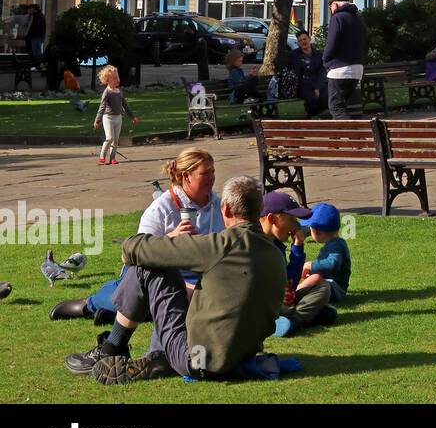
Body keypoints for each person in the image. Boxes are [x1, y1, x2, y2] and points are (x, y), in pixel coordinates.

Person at [64, 176, 285, 385]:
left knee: (148, 268)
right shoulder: (275, 254)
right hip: (242, 356)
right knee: (182, 284)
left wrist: (161, 241)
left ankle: (112, 348)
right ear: (259, 211)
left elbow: (137, 249)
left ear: (225, 208)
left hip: (199, 360)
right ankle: (160, 356)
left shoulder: (220, 245)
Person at [53, 148, 222, 324]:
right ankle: (88, 305)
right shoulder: (161, 208)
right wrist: (171, 237)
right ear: (187, 176)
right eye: (205, 173)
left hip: (198, 273)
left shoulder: (216, 203)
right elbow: (136, 254)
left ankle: (119, 316)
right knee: (130, 297)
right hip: (153, 272)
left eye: (213, 172)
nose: (212, 177)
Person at [258, 192, 337, 338]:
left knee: (323, 288)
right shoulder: (254, 243)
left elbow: (290, 282)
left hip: (280, 302)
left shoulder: (277, 244)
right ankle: (294, 320)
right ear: (272, 218)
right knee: (325, 313)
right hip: (263, 304)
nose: (296, 225)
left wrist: (298, 247)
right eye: (291, 219)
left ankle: (291, 320)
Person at [296, 202, 350, 307]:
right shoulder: (333, 244)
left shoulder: (337, 245)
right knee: (310, 277)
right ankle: (297, 291)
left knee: (314, 278)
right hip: (327, 285)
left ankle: (292, 295)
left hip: (336, 289)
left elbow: (332, 264)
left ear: (315, 231)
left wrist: (310, 265)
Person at [323, 0, 367, 119]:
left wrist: (325, 60)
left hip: (339, 69)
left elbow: (331, 43)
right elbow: (364, 43)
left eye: (330, 7)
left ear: (335, 4)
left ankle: (353, 134)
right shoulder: (359, 19)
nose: (331, 10)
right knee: (348, 107)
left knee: (336, 107)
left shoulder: (337, 18)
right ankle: (337, 137)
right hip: (357, 69)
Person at [94, 65, 138, 165]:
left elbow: (125, 106)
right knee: (109, 138)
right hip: (108, 118)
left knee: (115, 140)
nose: (117, 80)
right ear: (107, 80)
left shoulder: (119, 91)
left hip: (118, 118)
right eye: (114, 78)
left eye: (117, 77)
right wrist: (97, 120)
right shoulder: (107, 93)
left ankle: (112, 158)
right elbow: (102, 107)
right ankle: (102, 155)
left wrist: (132, 117)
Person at [287, 30, 327, 117]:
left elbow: (322, 72)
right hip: (302, 85)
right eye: (300, 40)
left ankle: (312, 116)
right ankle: (312, 116)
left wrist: (317, 87)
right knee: (311, 98)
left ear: (309, 39)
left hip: (317, 83)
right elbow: (290, 71)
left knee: (326, 97)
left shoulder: (319, 54)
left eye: (305, 39)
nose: (303, 42)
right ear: (298, 43)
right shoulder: (293, 55)